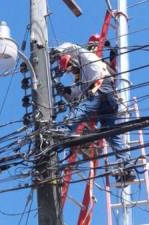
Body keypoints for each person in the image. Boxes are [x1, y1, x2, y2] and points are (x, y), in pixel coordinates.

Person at [52, 42, 135, 183]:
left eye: (71, 68)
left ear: (74, 61)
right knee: (111, 133)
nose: (72, 71)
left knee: (81, 110)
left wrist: (56, 51)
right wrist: (63, 90)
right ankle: (127, 167)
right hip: (109, 101)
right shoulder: (83, 79)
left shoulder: (87, 58)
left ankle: (63, 131)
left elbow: (73, 46)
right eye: (70, 70)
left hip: (101, 89)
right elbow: (74, 95)